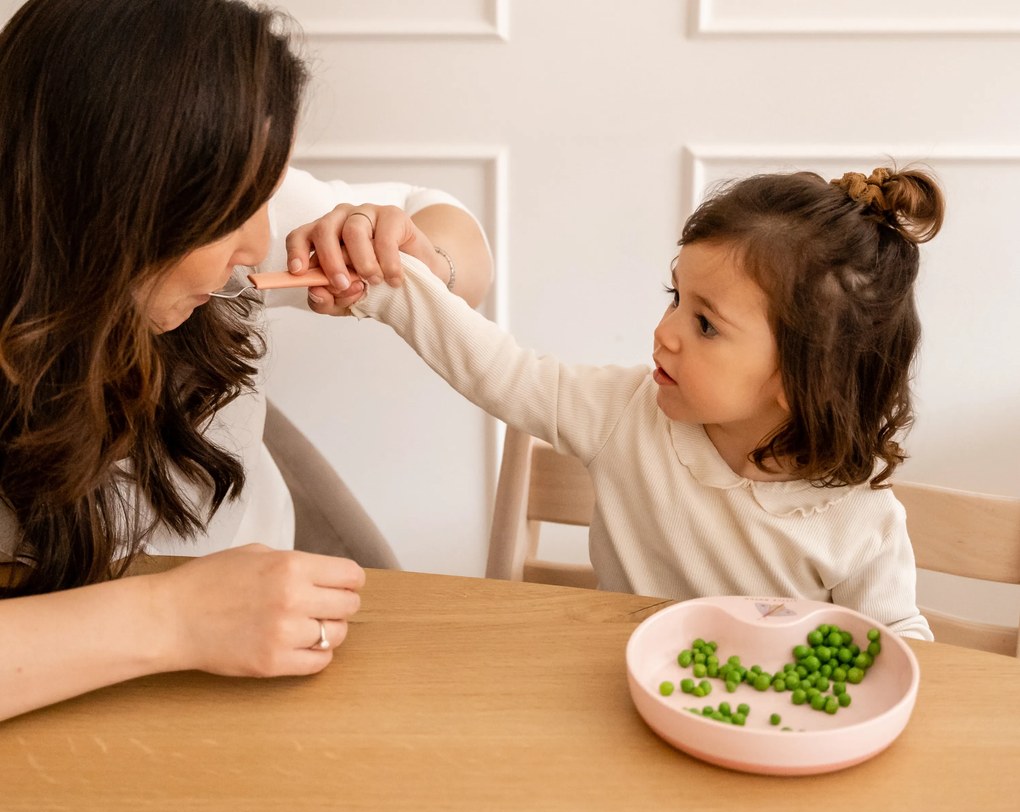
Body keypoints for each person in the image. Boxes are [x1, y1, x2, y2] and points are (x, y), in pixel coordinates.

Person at [0, 0, 492, 721]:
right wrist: (172, 619)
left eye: (269, 194)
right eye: (234, 208)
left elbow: (455, 235)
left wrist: (416, 263)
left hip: (254, 687)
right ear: (109, 202)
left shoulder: (231, 213)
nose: (259, 242)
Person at [308, 166, 944, 640]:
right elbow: (502, 371)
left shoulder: (860, 520)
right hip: (624, 707)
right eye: (675, 298)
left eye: (706, 324)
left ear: (803, 375)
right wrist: (388, 291)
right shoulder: (624, 414)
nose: (664, 331)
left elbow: (903, 644)